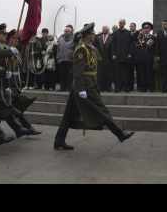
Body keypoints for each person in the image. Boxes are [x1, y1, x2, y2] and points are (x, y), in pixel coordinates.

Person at [54, 23, 134, 151]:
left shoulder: (89, 47)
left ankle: (59, 140)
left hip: (89, 83)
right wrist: (80, 89)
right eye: (92, 34)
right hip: (84, 85)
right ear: (87, 35)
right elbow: (78, 71)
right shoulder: (82, 49)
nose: (94, 35)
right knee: (101, 109)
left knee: (69, 115)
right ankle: (120, 133)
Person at [111, 20, 133, 93]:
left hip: (126, 56)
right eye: (119, 23)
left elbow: (131, 44)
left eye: (122, 23)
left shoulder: (128, 32)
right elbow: (113, 44)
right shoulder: (115, 32)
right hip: (117, 56)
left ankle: (126, 87)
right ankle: (118, 87)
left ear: (124, 24)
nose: (120, 24)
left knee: (126, 73)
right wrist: (113, 54)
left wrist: (130, 53)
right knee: (117, 73)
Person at [134, 23, 156, 93]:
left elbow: (155, 48)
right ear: (143, 29)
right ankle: (144, 87)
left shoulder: (153, 38)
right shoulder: (140, 37)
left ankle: (150, 86)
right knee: (142, 73)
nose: (146, 30)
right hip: (141, 58)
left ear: (150, 30)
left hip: (149, 57)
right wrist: (138, 31)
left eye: (148, 28)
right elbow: (133, 38)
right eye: (145, 28)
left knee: (149, 73)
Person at [94, 26, 114, 92]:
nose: (103, 30)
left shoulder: (111, 38)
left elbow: (113, 48)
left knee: (108, 74)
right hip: (100, 59)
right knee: (100, 74)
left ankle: (108, 87)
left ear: (108, 30)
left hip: (108, 58)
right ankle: (101, 87)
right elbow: (96, 47)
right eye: (102, 29)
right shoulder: (98, 38)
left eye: (104, 29)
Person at [56, 26, 75, 92]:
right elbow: (58, 49)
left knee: (69, 75)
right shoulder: (61, 39)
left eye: (67, 31)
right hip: (62, 59)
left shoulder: (73, 40)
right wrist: (58, 58)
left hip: (70, 60)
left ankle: (69, 87)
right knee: (62, 74)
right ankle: (62, 87)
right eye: (64, 31)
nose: (65, 32)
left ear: (70, 32)